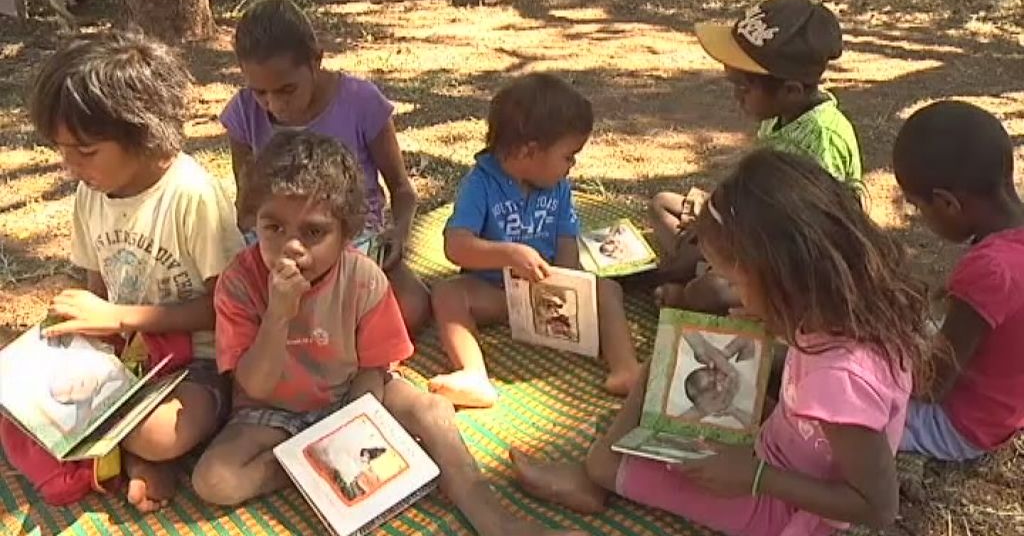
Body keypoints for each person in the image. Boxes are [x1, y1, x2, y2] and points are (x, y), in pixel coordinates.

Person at [509, 149, 936, 536]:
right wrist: (776, 322)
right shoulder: (851, 309)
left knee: (613, 450)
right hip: (780, 450)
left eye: (735, 281)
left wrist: (753, 477)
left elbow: (878, 508)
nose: (733, 293)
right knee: (679, 358)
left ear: (782, 278)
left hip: (781, 509)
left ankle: (590, 480)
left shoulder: (840, 380)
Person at [191, 131, 580, 536]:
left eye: (313, 232)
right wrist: (277, 317)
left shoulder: (362, 277)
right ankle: (308, 467)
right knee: (215, 480)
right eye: (273, 227)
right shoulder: (239, 282)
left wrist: (355, 423)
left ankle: (496, 521)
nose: (291, 247)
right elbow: (254, 384)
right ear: (255, 221)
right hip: (272, 408)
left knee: (432, 411)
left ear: (345, 235)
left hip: (351, 390)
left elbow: (374, 367)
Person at [20, 30, 243, 512]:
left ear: (139, 132)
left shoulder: (191, 195)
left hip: (195, 366)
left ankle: (138, 453)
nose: (71, 167)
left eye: (86, 151)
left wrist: (120, 318)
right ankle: (125, 449)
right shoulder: (91, 194)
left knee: (157, 434)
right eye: (62, 150)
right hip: (126, 359)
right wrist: (80, 332)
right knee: (21, 396)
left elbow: (228, 308)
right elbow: (94, 285)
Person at [429, 73, 642, 409]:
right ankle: (473, 374)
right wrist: (508, 254)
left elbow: (566, 236)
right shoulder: (480, 184)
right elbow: (456, 247)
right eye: (568, 155)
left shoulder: (556, 186)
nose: (572, 165)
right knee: (447, 294)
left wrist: (571, 283)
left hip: (549, 292)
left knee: (607, 290)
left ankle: (625, 368)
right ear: (530, 151)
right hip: (496, 294)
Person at [220, 0, 430, 334]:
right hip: (283, 245)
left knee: (413, 306)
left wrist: (399, 233)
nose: (274, 105)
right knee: (241, 310)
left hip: (354, 242)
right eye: (260, 92)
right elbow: (246, 205)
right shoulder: (243, 113)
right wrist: (274, 247)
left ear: (316, 61)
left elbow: (402, 189)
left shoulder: (361, 102)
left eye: (287, 89)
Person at [650, 0, 861, 314]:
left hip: (791, 263)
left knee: (709, 291)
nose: (736, 97)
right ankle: (693, 266)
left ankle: (690, 285)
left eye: (744, 87)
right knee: (662, 204)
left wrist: (733, 246)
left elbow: (811, 238)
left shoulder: (821, 140)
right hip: (751, 230)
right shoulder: (784, 115)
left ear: (790, 90)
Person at [892, 100, 1024, 462]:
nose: (921, 218)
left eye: (919, 208)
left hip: (959, 426)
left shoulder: (990, 271)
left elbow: (931, 386)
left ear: (947, 203)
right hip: (1004, 403)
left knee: (838, 405)